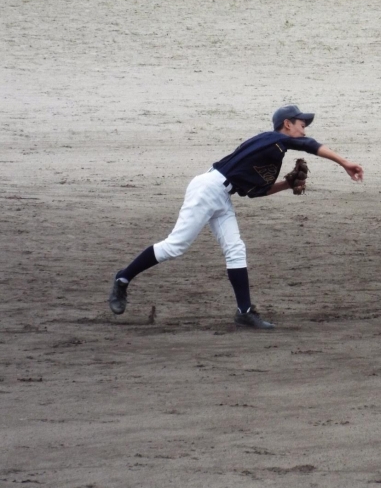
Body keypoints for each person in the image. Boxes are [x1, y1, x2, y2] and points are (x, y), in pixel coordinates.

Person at [108, 105, 363, 329]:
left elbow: (253, 192)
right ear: (287, 124)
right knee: (176, 246)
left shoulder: (273, 152)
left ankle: (244, 312)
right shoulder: (271, 139)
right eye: (301, 125)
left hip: (221, 194)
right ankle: (123, 278)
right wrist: (344, 163)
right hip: (208, 189)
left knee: (235, 249)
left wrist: (286, 184)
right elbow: (308, 145)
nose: (304, 130)